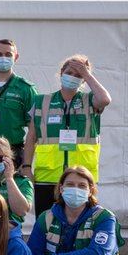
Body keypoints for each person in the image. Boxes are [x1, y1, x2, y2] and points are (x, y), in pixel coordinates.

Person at [23, 54, 111, 216]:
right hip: (47, 176)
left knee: (82, 222)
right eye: (70, 72)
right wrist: (27, 167)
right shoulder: (42, 101)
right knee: (47, 221)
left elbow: (105, 99)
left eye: (79, 75)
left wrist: (87, 74)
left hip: (81, 177)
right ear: (62, 72)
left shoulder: (90, 100)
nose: (73, 77)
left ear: (84, 81)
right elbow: (31, 138)